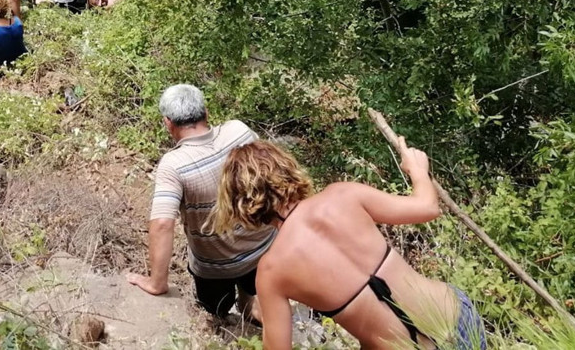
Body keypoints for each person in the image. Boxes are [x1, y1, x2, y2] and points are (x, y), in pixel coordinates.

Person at [212, 140, 487, 350]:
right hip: (457, 318)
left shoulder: (272, 272)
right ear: (287, 168)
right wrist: (418, 171)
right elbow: (427, 207)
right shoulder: (343, 194)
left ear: (242, 204)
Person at [126, 84, 275, 321]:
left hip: (215, 266)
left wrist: (157, 283)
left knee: (215, 314)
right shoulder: (239, 131)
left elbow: (163, 223)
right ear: (205, 112)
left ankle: (225, 326)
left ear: (168, 123)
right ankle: (250, 310)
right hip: (262, 248)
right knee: (253, 292)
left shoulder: (173, 165)